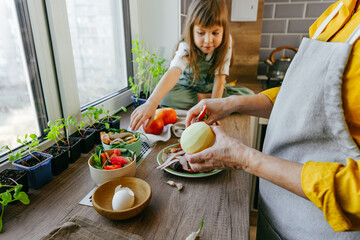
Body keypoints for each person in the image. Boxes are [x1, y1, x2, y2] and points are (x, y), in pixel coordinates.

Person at [185, 0, 360, 239]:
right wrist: (229, 104)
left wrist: (245, 159)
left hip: (320, 230)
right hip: (275, 216)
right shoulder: (341, 10)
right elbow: (302, 96)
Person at [130, 0, 253, 131]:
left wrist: (213, 111)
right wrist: (151, 102)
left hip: (213, 89)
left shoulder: (226, 42)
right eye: (201, 33)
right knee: (166, 97)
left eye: (215, 33)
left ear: (223, 30)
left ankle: (207, 101)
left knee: (248, 96)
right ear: (191, 30)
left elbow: (220, 78)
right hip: (188, 89)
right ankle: (204, 99)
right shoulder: (186, 46)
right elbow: (174, 71)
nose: (208, 40)